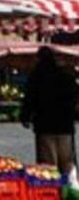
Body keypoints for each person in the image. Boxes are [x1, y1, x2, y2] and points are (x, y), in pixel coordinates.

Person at [22, 46, 79, 176]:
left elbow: (29, 98)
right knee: (67, 161)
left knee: (47, 163)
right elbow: (75, 96)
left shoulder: (36, 76)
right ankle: (69, 187)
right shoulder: (65, 75)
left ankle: (51, 188)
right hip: (65, 125)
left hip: (44, 124)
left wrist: (25, 116)